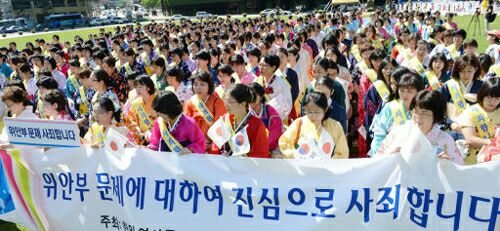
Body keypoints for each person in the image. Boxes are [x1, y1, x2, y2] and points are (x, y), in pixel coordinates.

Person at [376, 90, 464, 164]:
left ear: (436, 116)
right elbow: (377, 162)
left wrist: (448, 165)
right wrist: (391, 154)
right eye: (416, 111)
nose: (418, 117)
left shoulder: (446, 140)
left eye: (425, 113)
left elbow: (458, 171)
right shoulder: (398, 132)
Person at [279, 91, 349, 159]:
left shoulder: (335, 126)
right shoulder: (299, 123)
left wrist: (329, 162)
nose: (313, 116)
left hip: (326, 168)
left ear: (325, 110)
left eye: (317, 112)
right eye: (309, 112)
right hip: (302, 166)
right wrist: (296, 155)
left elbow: (342, 152)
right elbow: (284, 142)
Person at [370, 70, 425, 155]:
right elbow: (379, 133)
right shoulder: (390, 107)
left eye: (410, 91)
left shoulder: (424, 109)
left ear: (418, 92)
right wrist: (378, 154)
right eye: (402, 90)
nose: (405, 94)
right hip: (390, 154)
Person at [211, 84, 270, 157]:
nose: (226, 105)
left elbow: (259, 154)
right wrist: (221, 155)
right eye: (226, 101)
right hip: (223, 165)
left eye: (230, 102)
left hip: (246, 166)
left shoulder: (257, 124)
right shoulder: (224, 119)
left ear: (243, 104)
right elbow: (215, 147)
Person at [457, 77, 500, 165]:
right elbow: (470, 139)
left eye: (497, 98)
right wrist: (493, 144)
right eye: (488, 97)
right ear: (482, 94)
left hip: (496, 163)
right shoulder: (471, 111)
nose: (492, 101)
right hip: (474, 161)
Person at [183, 70, 227, 151]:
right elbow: (186, 127)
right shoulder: (189, 103)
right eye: (195, 84)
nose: (198, 87)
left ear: (209, 86)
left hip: (213, 145)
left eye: (202, 84)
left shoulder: (217, 102)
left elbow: (221, 125)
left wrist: (210, 144)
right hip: (194, 146)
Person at [440, 55, 483, 123]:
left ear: (476, 69)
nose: (466, 75)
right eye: (462, 71)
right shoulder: (448, 86)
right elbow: (440, 110)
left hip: (475, 125)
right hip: (452, 126)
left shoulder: (482, 86)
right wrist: (450, 124)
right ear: (457, 71)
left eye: (469, 71)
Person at [248, 82, 283, 154]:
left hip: (268, 150)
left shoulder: (271, 113)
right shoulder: (245, 111)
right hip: (248, 149)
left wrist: (259, 148)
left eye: (254, 95)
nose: (251, 98)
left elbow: (274, 137)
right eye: (249, 95)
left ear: (261, 97)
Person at [255, 54, 292, 120]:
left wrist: (277, 119)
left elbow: (288, 103)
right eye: (260, 64)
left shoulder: (281, 83)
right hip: (260, 119)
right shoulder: (256, 81)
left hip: (277, 119)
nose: (260, 67)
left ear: (273, 67)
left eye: (264, 65)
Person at [125, 75, 158, 145]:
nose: (137, 89)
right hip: (143, 138)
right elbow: (130, 119)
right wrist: (136, 128)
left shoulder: (158, 99)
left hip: (158, 137)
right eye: (136, 87)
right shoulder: (135, 103)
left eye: (140, 87)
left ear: (148, 88)